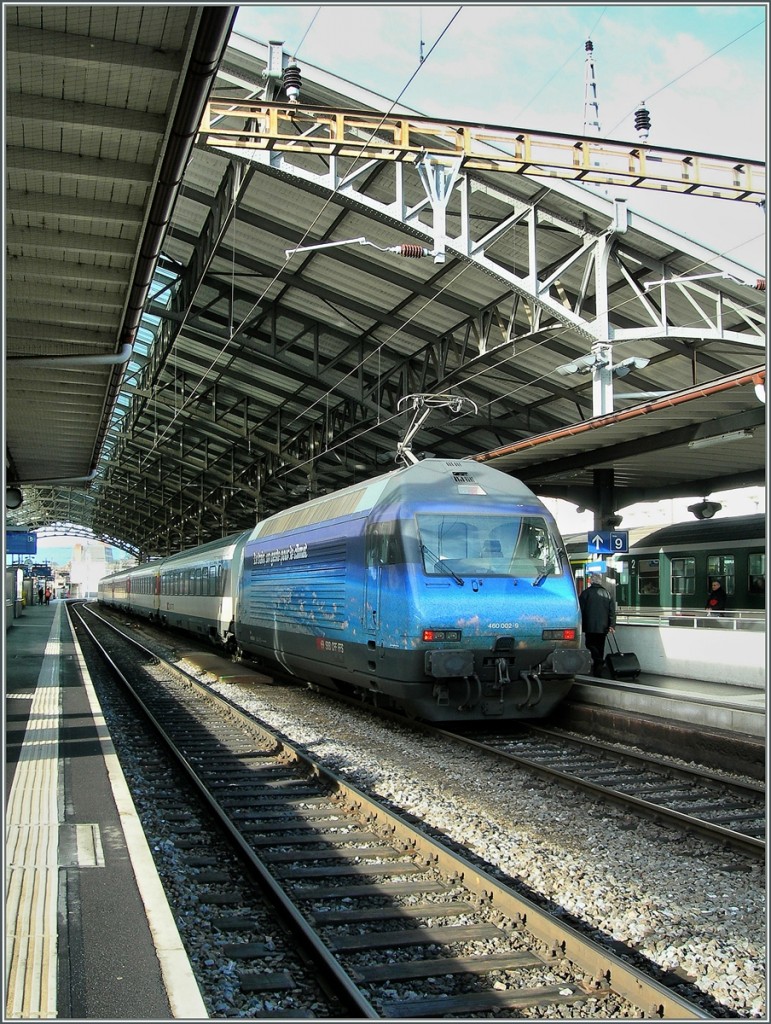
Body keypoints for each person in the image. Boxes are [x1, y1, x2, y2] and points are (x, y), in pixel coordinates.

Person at [579, 572, 616, 675]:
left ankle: (598, 662)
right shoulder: (607, 593)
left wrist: (580, 623)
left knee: (589, 644)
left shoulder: (585, 593)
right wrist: (612, 625)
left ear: (591, 580)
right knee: (600, 646)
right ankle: (598, 667)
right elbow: (612, 611)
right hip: (603, 626)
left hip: (590, 626)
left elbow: (580, 610)